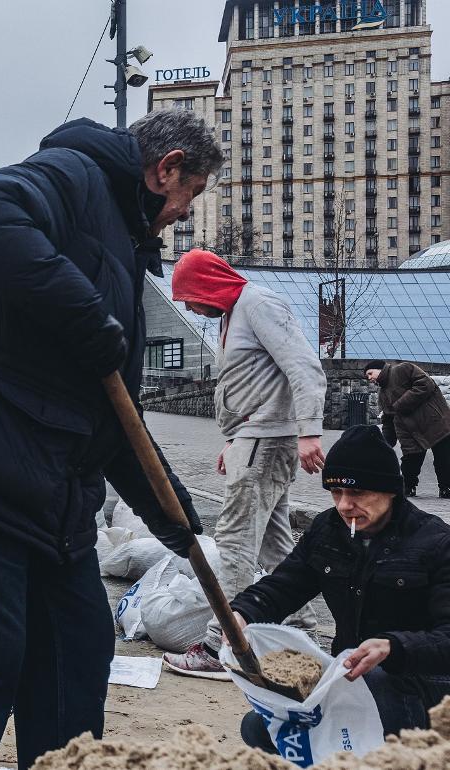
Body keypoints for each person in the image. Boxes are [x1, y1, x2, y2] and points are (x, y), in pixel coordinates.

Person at [0, 109, 221, 768]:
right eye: (190, 194)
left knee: (77, 658)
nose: (185, 212)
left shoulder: (124, 252)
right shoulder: (75, 175)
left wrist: (173, 518)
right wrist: (85, 316)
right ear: (167, 166)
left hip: (56, 500)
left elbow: (116, 421)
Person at [230, 425, 450, 751]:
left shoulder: (435, 542)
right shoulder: (328, 530)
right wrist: (242, 612)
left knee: (375, 684)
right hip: (348, 677)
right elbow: (286, 583)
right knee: (259, 729)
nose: (344, 505)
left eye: (356, 494)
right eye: (336, 493)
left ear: (390, 491)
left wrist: (394, 647)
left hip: (422, 685)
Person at [162, 248, 326, 680]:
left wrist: (310, 430)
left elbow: (304, 366)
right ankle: (303, 630)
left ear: (207, 285)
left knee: (234, 539)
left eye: (190, 297)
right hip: (257, 439)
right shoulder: (234, 314)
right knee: (275, 545)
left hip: (269, 440)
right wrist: (235, 440)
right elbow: (251, 384)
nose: (189, 307)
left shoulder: (259, 304)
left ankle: (225, 645)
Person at [365, 359, 450, 499]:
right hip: (410, 434)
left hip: (435, 423)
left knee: (444, 459)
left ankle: (446, 488)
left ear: (380, 368)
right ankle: (408, 487)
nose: (369, 378)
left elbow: (425, 384)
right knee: (410, 464)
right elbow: (388, 422)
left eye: (369, 373)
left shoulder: (403, 369)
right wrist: (384, 445)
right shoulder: (382, 395)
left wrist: (399, 404)